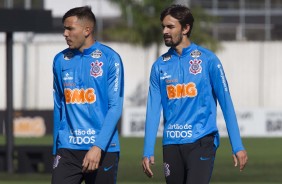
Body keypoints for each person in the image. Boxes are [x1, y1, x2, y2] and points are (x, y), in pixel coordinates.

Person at [142, 4, 248, 184]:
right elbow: (153, 109)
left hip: (201, 141)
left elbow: (226, 103)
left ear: (186, 28)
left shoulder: (209, 60)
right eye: (163, 27)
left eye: (170, 26)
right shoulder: (159, 65)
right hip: (171, 144)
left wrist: (237, 145)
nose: (164, 31)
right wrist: (147, 150)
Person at [52, 6, 124, 184]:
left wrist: (98, 146)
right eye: (64, 28)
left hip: (103, 148)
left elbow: (115, 107)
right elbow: (59, 104)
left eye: (70, 28)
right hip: (67, 149)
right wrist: (56, 149)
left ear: (87, 30)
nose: (65, 33)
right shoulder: (60, 60)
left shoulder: (110, 58)